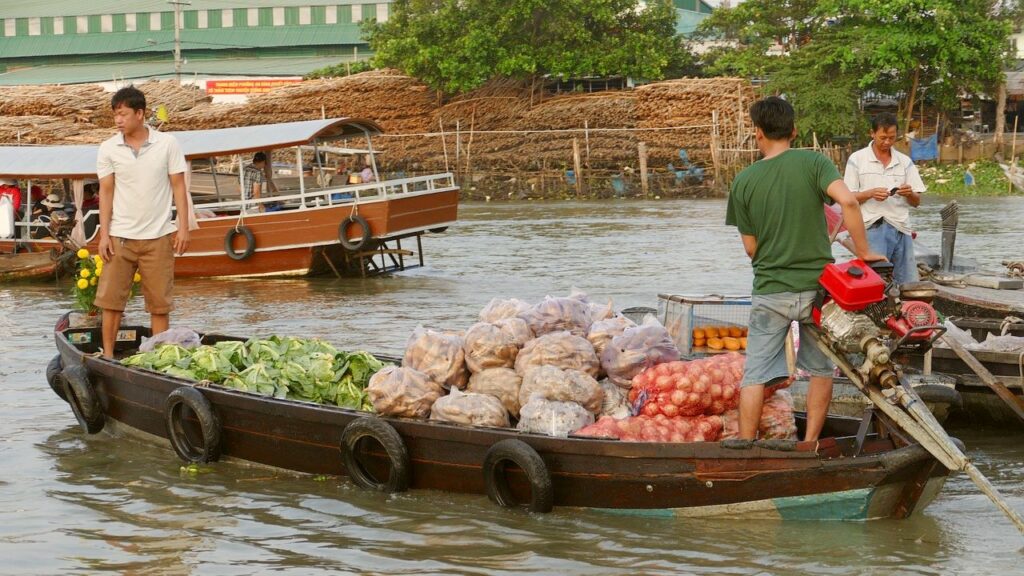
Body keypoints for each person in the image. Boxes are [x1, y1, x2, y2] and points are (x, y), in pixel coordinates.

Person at [725, 97, 884, 442]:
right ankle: (809, 444)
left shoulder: (744, 182)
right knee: (820, 369)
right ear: (794, 130)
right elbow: (849, 201)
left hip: (770, 290)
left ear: (758, 134)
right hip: (819, 290)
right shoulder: (814, 162)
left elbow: (751, 248)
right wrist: (865, 251)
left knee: (754, 375)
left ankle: (747, 447)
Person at [94, 86, 189, 359]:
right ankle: (109, 355)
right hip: (120, 237)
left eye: (123, 114)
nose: (118, 120)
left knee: (159, 304)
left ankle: (157, 358)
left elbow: (179, 188)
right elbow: (106, 193)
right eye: (115, 115)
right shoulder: (108, 148)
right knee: (111, 302)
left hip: (159, 236)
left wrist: (182, 227)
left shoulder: (167, 144)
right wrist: (104, 235)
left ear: (140, 113)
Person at [844, 112, 926, 284]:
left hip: (901, 228)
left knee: (908, 283)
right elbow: (847, 198)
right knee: (876, 283)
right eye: (883, 137)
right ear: (872, 134)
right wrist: (870, 193)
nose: (887, 142)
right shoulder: (857, 159)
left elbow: (916, 202)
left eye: (892, 138)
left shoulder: (904, 162)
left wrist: (909, 193)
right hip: (871, 227)